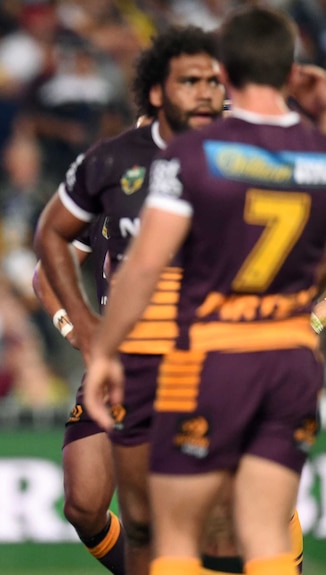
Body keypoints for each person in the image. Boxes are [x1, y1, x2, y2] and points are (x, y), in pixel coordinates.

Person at [82, 6, 326, 575]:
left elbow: (142, 267)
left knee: (176, 540)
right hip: (292, 358)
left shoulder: (193, 156)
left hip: (213, 357)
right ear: (290, 71)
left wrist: (106, 350)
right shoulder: (318, 153)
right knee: (266, 534)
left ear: (224, 74)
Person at [34, 25, 230, 575]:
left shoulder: (228, 159)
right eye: (190, 84)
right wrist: (80, 330)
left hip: (203, 357)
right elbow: (46, 266)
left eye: (210, 85)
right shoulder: (109, 169)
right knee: (86, 502)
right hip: (121, 356)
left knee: (205, 518)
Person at [32, 220, 125, 575]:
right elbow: (47, 270)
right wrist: (73, 326)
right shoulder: (99, 184)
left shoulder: (191, 180)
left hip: (183, 361)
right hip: (114, 363)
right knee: (83, 505)